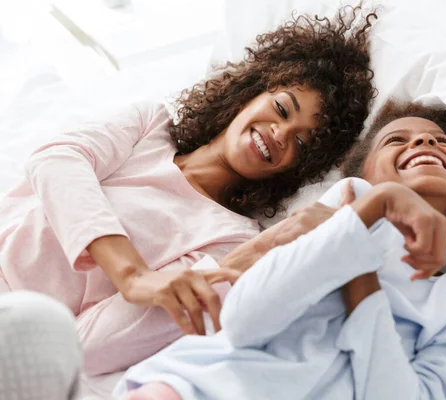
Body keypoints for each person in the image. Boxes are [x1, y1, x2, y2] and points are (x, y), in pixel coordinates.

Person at [0, 4, 378, 382]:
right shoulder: (150, 126)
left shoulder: (231, 242)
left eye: (300, 142)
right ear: (252, 92)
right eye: (281, 109)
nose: (279, 133)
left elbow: (85, 348)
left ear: (300, 167)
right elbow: (56, 162)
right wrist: (131, 275)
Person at [115, 101, 446, 400]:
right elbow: (247, 319)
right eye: (395, 140)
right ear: (364, 177)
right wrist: (366, 213)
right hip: (196, 387)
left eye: (442, 141)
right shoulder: (341, 209)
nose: (426, 142)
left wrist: (358, 270)